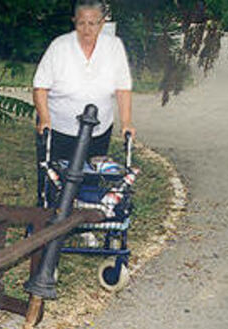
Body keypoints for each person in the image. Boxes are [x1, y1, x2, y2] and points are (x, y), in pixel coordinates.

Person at [33, 0, 136, 201]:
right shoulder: (60, 46)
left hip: (98, 131)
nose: (87, 29)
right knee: (54, 179)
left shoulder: (113, 47)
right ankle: (48, 220)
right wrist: (44, 118)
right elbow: (40, 87)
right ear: (74, 22)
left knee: (90, 177)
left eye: (93, 23)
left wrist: (126, 122)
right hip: (59, 129)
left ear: (102, 23)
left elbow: (123, 88)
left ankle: (82, 223)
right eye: (81, 23)